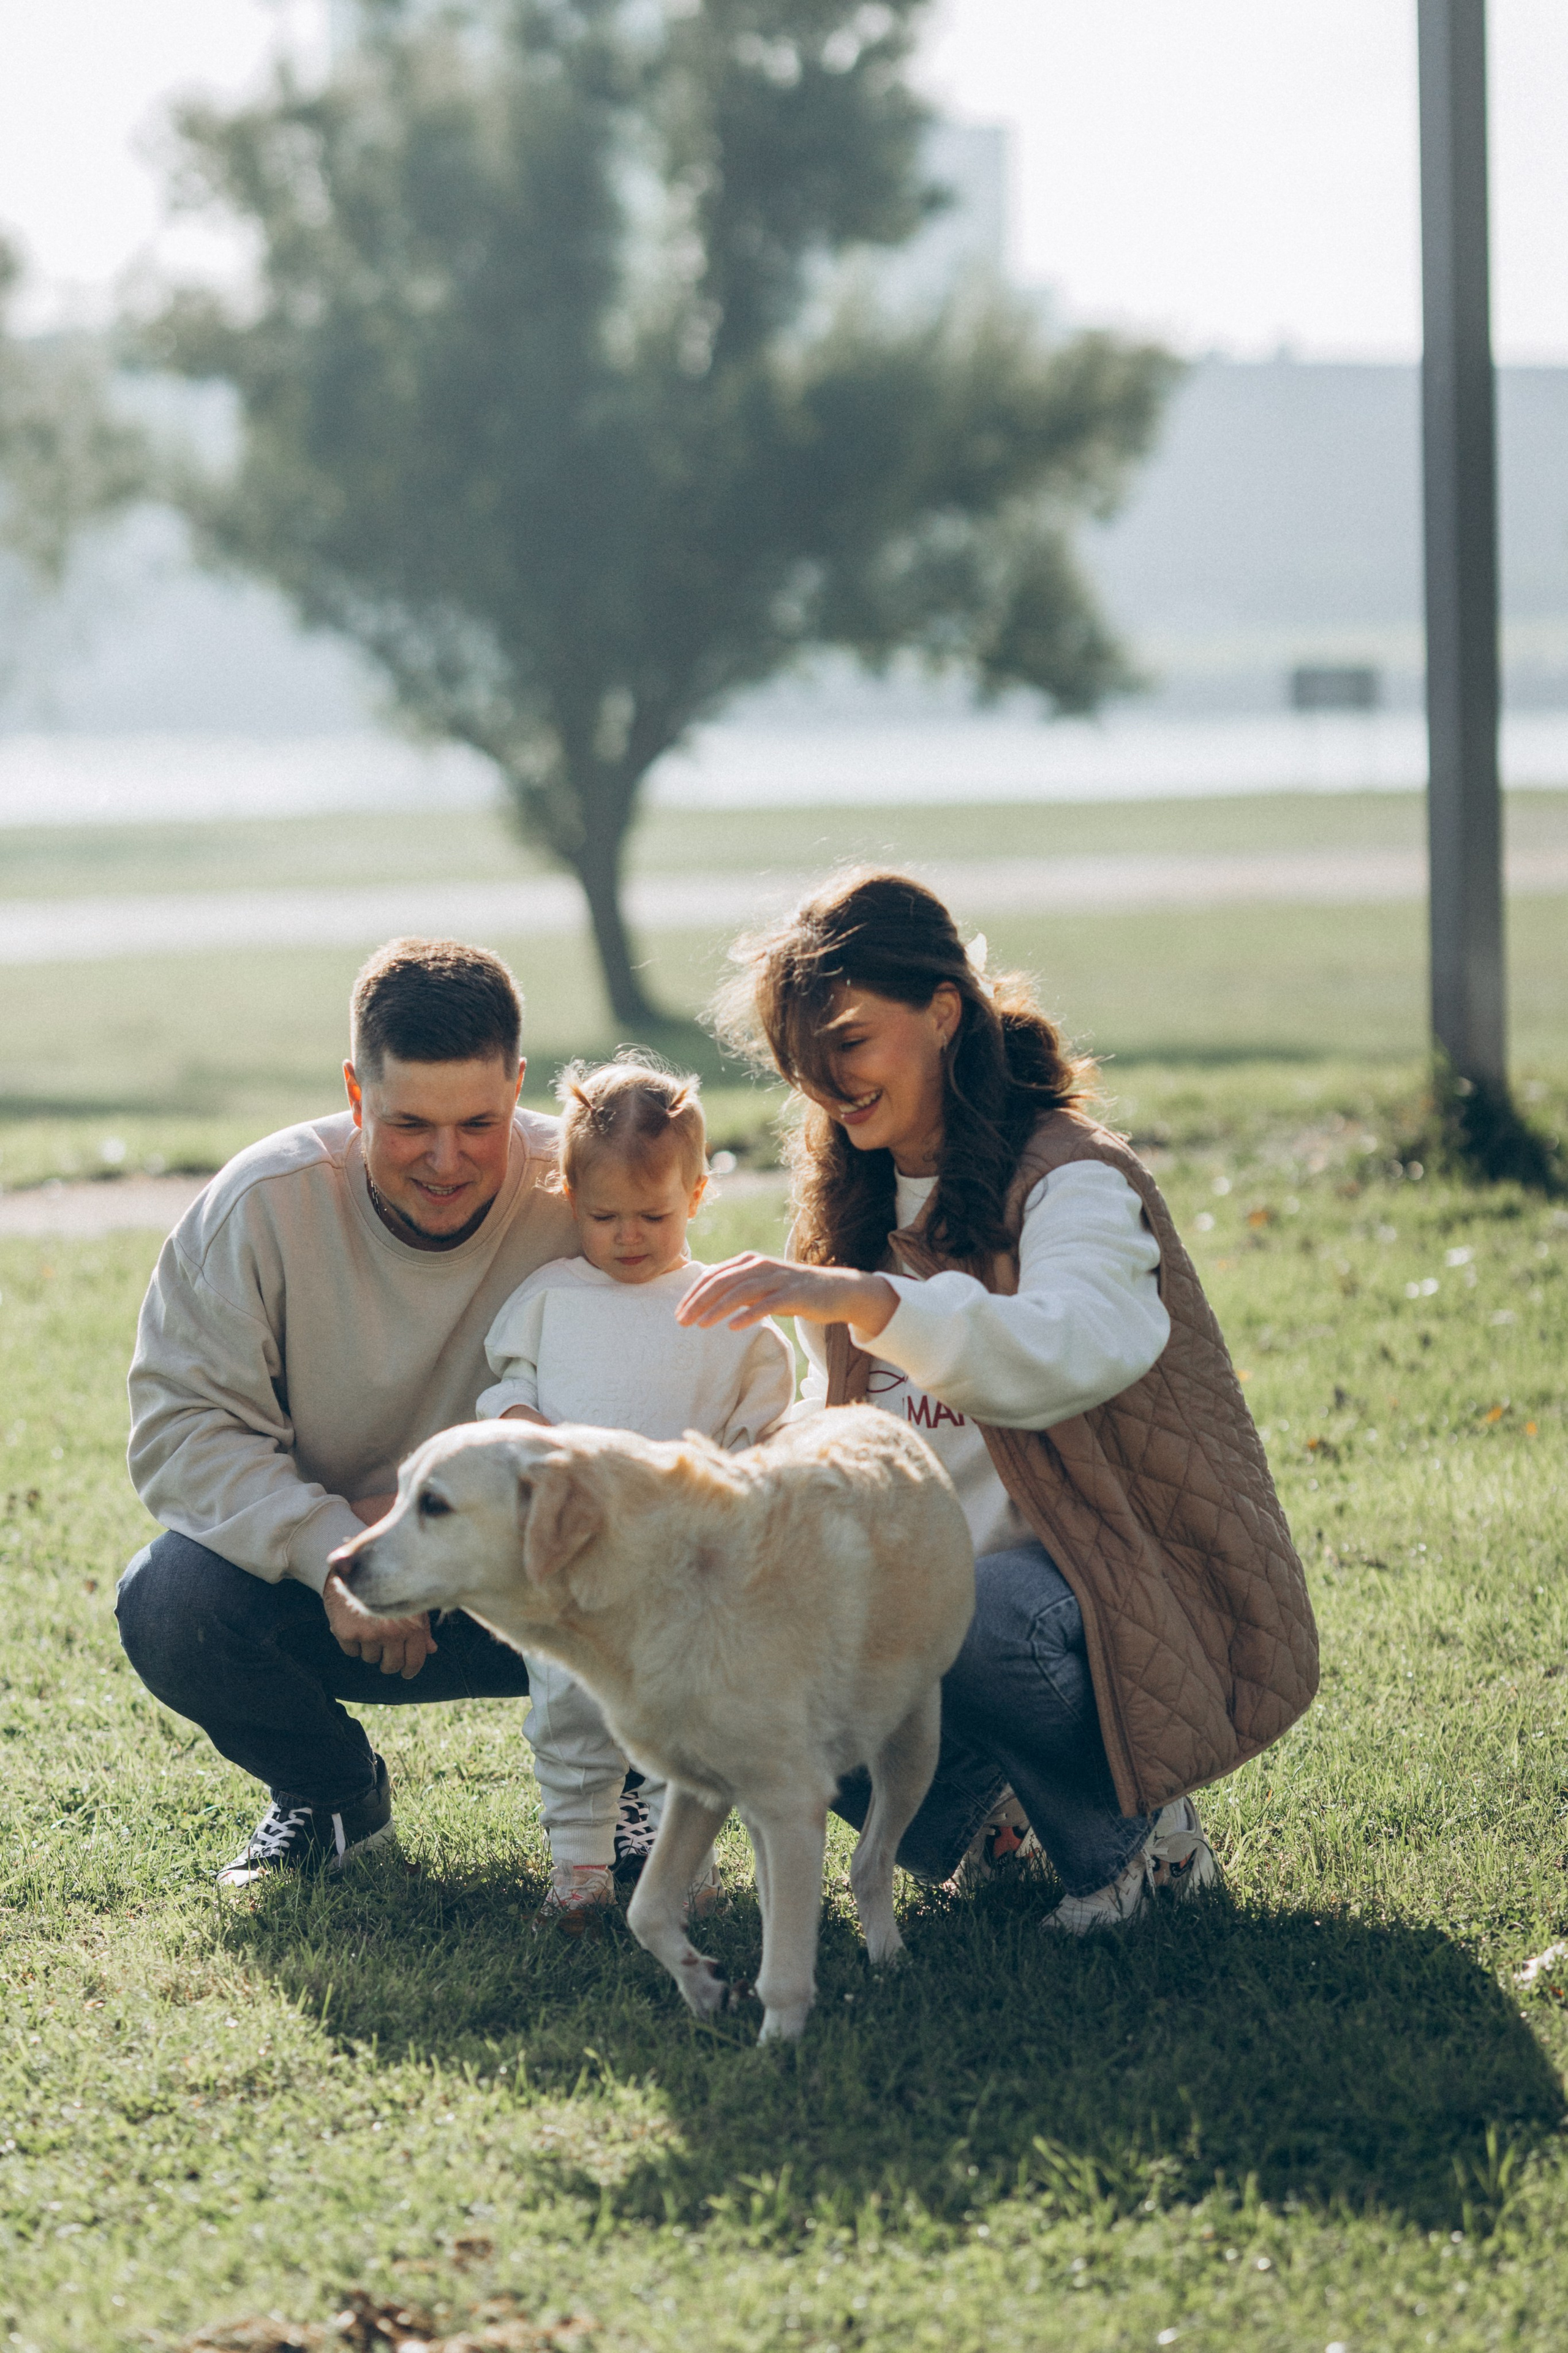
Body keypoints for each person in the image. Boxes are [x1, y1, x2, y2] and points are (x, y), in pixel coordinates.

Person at [677, 871, 1318, 1933]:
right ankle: (1001, 1822)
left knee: (970, 1613)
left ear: (943, 1010)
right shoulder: (855, 1197)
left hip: (1103, 1583)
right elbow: (859, 1432)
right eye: (805, 1060)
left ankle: (1139, 1856)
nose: (830, 1082)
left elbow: (1071, 1346)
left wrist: (876, 1300)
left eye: (850, 1039)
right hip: (942, 1585)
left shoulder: (1072, 1177)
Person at [117, 936, 587, 1887]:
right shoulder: (257, 1205)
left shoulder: (588, 1191)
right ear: (354, 1090)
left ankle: (631, 1797)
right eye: (410, 1122)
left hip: (548, 1577)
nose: (448, 1160)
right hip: (339, 1585)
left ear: (519, 1085)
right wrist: (330, 1549)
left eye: (480, 1121)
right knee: (169, 1600)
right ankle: (330, 1791)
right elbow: (180, 1432)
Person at [476, 1055, 795, 1924]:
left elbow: (764, 1423)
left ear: (696, 1194)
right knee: (571, 1715)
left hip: (682, 1567)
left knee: (681, 1723)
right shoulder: (550, 1297)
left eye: (653, 1214)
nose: (627, 1236)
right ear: (569, 1196)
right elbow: (504, 1390)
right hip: (570, 1562)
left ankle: (677, 1865)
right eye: (603, 1214)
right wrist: (525, 1428)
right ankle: (578, 1869)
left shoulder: (722, 1308)